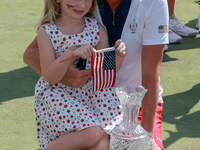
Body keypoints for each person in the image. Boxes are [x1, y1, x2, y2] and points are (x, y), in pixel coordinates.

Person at [24, 0, 169, 149]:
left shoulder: (153, 3)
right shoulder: (57, 24)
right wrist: (64, 73)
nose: (81, 4)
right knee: (95, 136)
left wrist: (148, 135)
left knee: (103, 143)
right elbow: (30, 54)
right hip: (74, 100)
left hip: (122, 102)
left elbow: (149, 72)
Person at [31, 0, 127, 149]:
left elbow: (103, 75)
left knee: (102, 143)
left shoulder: (97, 29)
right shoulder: (46, 31)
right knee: (94, 133)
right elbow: (50, 77)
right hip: (59, 97)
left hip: (93, 97)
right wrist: (70, 53)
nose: (81, 5)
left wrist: (118, 56)